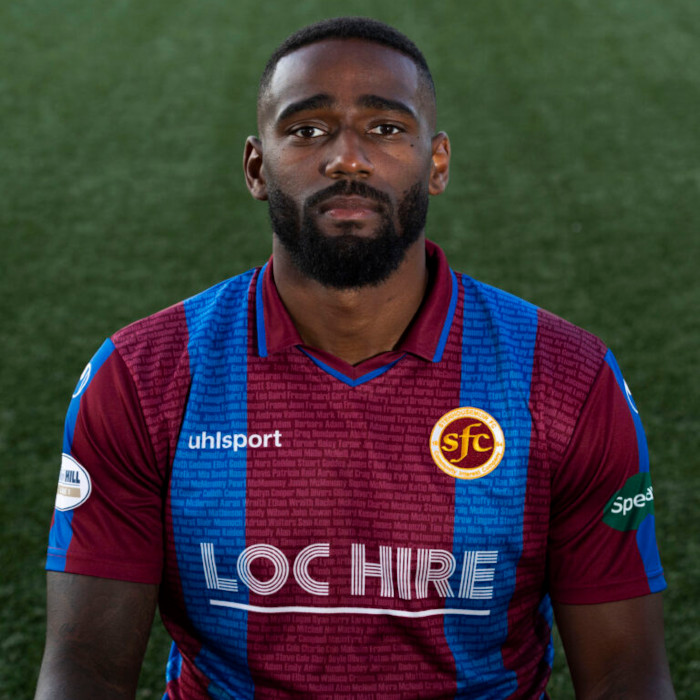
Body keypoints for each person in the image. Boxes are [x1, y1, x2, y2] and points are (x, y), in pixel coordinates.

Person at [35, 16, 675, 700]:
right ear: (256, 167)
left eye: (386, 128)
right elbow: (86, 665)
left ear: (437, 163)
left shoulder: (566, 377)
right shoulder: (143, 375)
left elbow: (625, 673)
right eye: (307, 129)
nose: (347, 158)